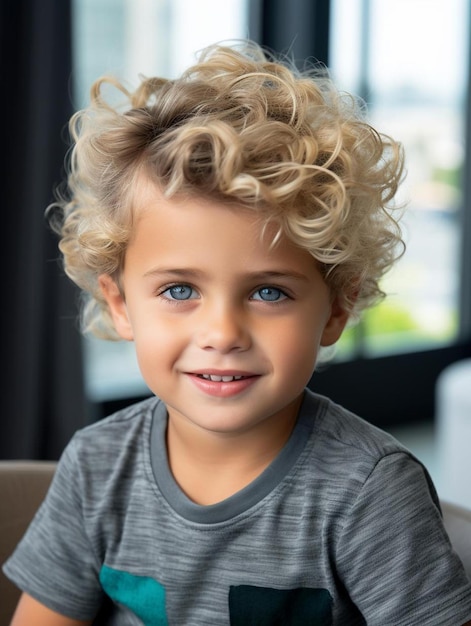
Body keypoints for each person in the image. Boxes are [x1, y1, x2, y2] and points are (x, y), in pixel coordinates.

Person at [3, 39, 471, 626]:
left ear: (334, 310)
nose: (222, 332)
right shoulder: (95, 466)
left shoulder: (369, 494)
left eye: (268, 292)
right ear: (120, 305)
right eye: (179, 290)